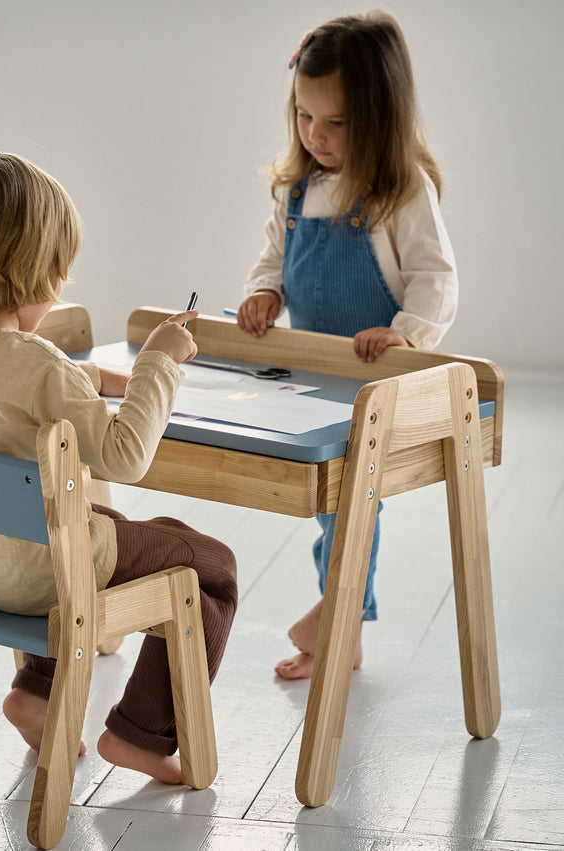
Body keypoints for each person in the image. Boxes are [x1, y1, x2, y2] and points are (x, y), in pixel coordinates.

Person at [0, 151, 238, 784]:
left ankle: (36, 692)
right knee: (212, 566)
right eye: (61, 272)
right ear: (32, 272)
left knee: (112, 525)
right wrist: (158, 364)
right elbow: (124, 455)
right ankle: (140, 735)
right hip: (40, 579)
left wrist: (85, 377)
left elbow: (4, 388)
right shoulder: (40, 365)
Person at [236, 11, 457, 680]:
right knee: (332, 501)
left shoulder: (400, 193)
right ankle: (341, 621)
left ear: (379, 118)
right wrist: (264, 293)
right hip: (315, 378)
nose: (317, 135)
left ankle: (339, 615)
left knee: (357, 499)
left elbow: (436, 282)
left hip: (376, 381)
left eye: (336, 122)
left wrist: (405, 333)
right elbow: (273, 258)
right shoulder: (298, 189)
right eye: (305, 117)